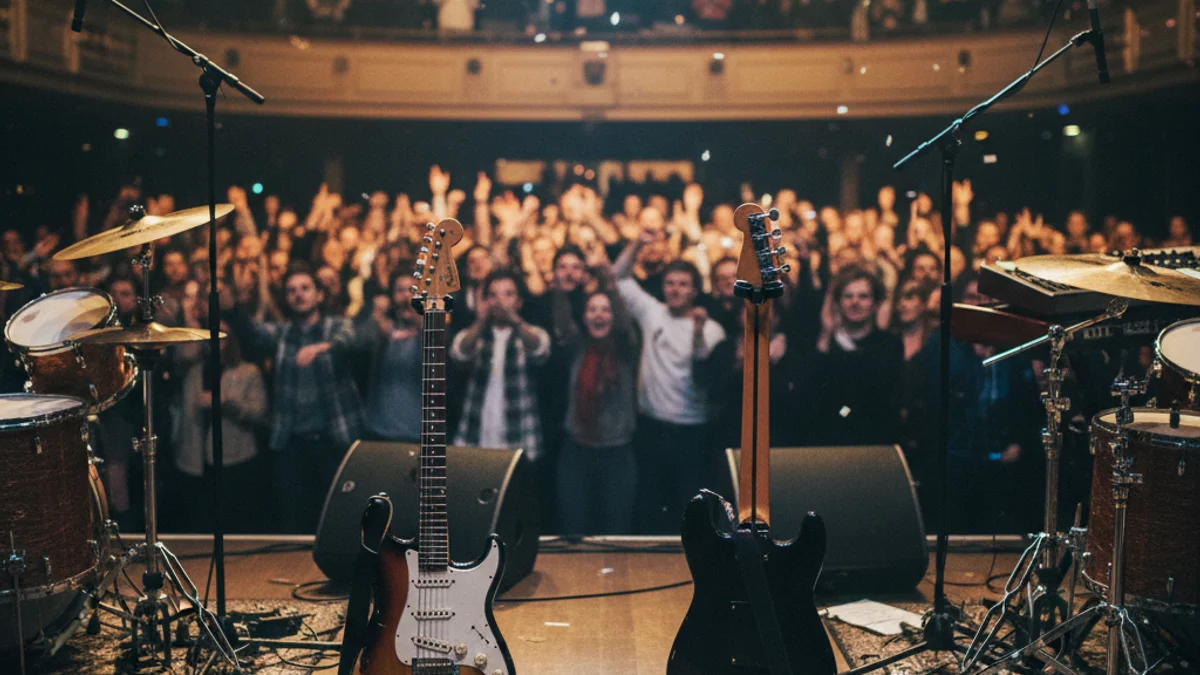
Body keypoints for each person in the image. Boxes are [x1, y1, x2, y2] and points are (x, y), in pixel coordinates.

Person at [226, 263, 367, 533]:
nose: (298, 294)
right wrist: (232, 307)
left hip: (332, 439)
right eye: (291, 291)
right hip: (292, 442)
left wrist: (321, 347)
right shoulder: (282, 334)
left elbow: (352, 340)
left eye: (305, 288)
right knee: (294, 520)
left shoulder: (338, 325)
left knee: (338, 519)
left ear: (319, 295)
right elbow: (252, 333)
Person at [614, 231, 727, 534]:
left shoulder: (713, 330)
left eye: (683, 284)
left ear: (694, 290)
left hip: (692, 432)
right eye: (670, 283)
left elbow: (705, 374)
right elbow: (618, 277)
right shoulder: (653, 313)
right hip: (651, 428)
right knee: (650, 508)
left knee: (690, 513)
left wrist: (699, 332)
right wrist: (638, 242)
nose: (675, 290)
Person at [556, 288, 640, 534]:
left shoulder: (627, 349)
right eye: (592, 309)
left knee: (616, 530)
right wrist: (558, 288)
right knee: (574, 529)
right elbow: (561, 322)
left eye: (606, 310)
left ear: (614, 317)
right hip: (576, 453)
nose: (599, 315)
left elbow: (625, 325)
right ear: (584, 317)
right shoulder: (576, 347)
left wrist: (610, 283)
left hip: (617, 454)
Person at [449, 269, 552, 460]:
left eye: (508, 294)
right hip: (474, 440)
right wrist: (481, 320)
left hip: (518, 441)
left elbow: (540, 350)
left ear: (520, 302)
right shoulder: (475, 335)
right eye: (493, 295)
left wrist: (515, 320)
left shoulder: (531, 333)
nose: (500, 301)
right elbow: (459, 353)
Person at [805, 265, 903, 446]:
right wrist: (827, 335)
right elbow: (812, 391)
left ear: (874, 304)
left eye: (863, 296)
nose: (855, 302)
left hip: (873, 443)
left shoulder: (889, 344)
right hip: (827, 442)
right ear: (838, 302)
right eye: (848, 296)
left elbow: (876, 393)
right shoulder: (825, 343)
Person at [361, 271, 423, 442]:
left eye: (412, 290)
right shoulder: (383, 329)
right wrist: (376, 319)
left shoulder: (432, 331)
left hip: (418, 431)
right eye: (400, 290)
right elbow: (358, 341)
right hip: (380, 429)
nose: (406, 296)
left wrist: (421, 321)